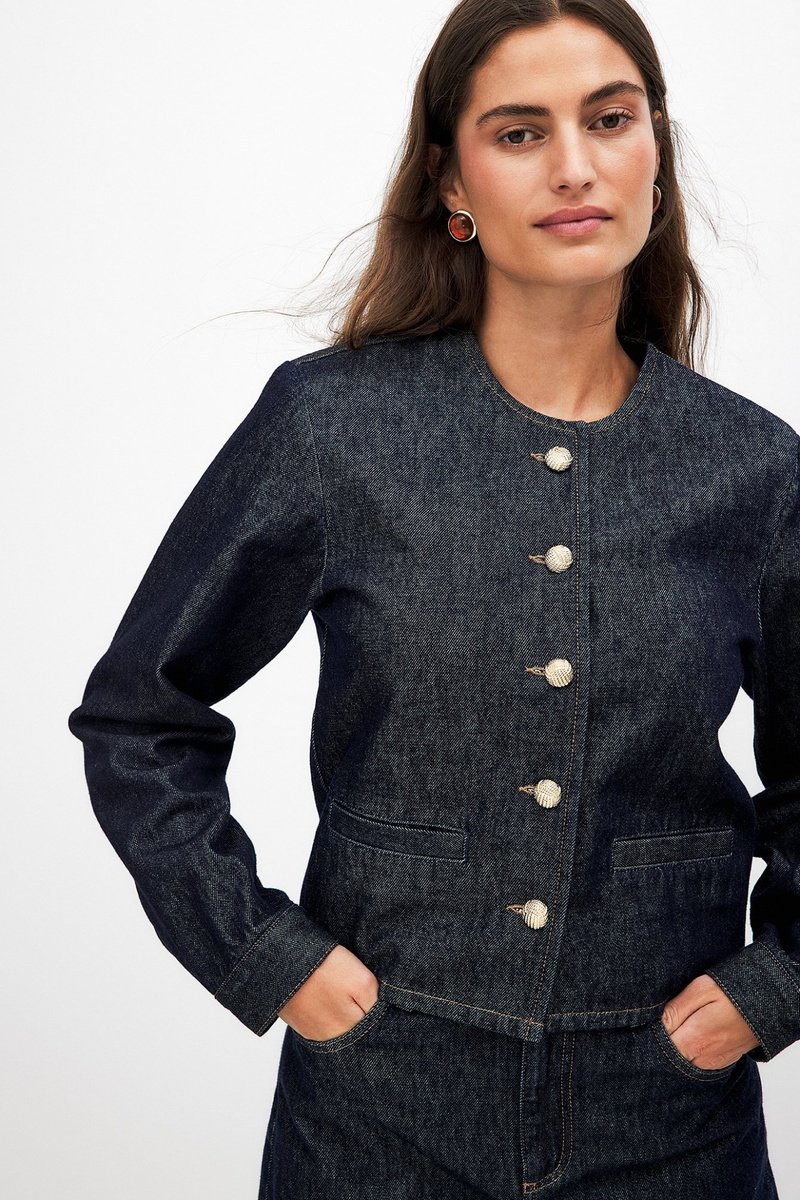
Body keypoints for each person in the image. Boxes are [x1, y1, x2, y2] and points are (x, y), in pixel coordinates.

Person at [68, 1, 798, 1196]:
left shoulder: (753, 469)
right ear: (449, 182)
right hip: (375, 1109)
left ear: (654, 152)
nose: (574, 166)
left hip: (669, 1118)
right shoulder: (332, 427)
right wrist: (269, 959)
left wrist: (770, 990)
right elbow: (139, 718)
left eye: (609, 120)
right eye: (518, 133)